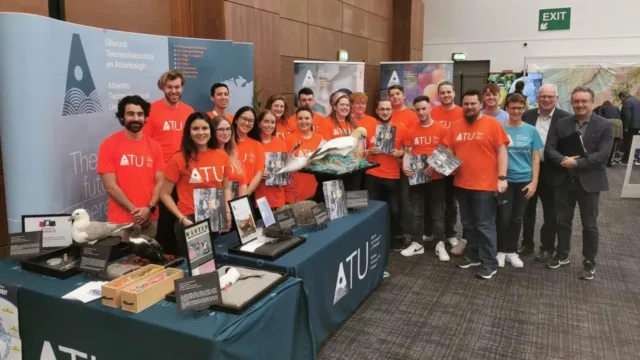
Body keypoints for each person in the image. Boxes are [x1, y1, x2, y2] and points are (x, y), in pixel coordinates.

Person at [545, 86, 613, 280]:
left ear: (592, 102)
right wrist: (562, 160)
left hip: (589, 182)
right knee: (562, 221)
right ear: (572, 102)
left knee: (589, 224)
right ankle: (562, 253)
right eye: (576, 101)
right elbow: (549, 147)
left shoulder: (604, 125)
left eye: (584, 101)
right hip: (564, 180)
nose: (580, 105)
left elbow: (602, 155)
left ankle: (589, 261)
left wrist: (576, 162)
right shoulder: (562, 123)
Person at [450, 89, 509, 280]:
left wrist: (502, 178)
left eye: (473, 104)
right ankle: (473, 255)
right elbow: (448, 152)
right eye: (466, 104)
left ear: (480, 104)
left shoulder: (492, 125)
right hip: (461, 183)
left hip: (485, 185)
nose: (469, 107)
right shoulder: (455, 126)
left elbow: (502, 152)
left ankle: (489, 263)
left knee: (485, 225)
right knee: (468, 223)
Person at [160, 112, 233, 257]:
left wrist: (227, 212)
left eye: (205, 128)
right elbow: (164, 194)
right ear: (189, 132)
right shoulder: (178, 159)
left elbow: (225, 187)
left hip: (214, 216)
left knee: (214, 262)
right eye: (196, 129)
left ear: (211, 131)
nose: (201, 133)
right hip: (190, 219)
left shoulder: (222, 156)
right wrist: (182, 218)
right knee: (197, 269)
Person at [97, 95, 164, 238]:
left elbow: (160, 182)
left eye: (140, 114)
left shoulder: (155, 146)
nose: (136, 118)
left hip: (150, 220)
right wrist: (136, 212)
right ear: (122, 117)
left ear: (145, 117)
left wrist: (149, 209)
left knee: (148, 261)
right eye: (130, 114)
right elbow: (110, 186)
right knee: (122, 261)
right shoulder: (108, 145)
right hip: (121, 223)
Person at [143, 70, 194, 253]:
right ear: (162, 87)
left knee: (185, 217)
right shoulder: (151, 111)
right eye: (169, 87)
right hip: (163, 177)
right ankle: (166, 258)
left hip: (186, 175)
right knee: (165, 221)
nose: (174, 91)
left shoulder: (189, 111)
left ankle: (186, 255)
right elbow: (146, 145)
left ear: (182, 87)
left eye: (177, 87)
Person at [520, 84, 571, 261]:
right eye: (543, 96)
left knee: (551, 213)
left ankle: (547, 247)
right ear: (537, 98)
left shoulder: (566, 119)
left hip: (553, 172)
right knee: (527, 211)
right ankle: (526, 244)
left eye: (550, 96)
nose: (547, 100)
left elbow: (568, 147)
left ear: (556, 98)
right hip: (528, 170)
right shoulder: (527, 115)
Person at [400, 96, 450, 261]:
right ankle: (417, 243)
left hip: (436, 178)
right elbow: (408, 152)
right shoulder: (410, 130)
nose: (421, 112)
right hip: (417, 178)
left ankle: (439, 244)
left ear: (430, 109)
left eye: (424, 109)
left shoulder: (441, 129)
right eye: (418, 109)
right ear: (414, 110)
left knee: (437, 214)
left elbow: (448, 152)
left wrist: (436, 165)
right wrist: (404, 166)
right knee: (417, 213)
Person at [496, 94, 543, 268]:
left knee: (517, 218)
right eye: (512, 107)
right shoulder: (499, 128)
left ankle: (511, 250)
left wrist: (534, 182)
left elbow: (535, 158)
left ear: (524, 109)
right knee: (504, 216)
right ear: (506, 108)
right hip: (505, 181)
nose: (516, 111)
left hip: (525, 181)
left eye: (519, 108)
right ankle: (500, 250)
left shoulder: (531, 130)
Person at [363, 99, 409, 250]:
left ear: (392, 110)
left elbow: (409, 151)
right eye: (382, 109)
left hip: (393, 176)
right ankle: (374, 240)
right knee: (373, 210)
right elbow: (360, 153)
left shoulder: (401, 128)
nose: (385, 112)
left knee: (395, 211)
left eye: (388, 109)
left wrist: (401, 152)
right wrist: (369, 151)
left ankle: (396, 240)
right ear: (376, 111)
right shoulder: (369, 128)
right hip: (372, 174)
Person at [431, 81, 465, 254]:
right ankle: (434, 232)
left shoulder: (462, 112)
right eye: (442, 93)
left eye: (448, 92)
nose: (446, 95)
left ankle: (451, 233)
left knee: (451, 201)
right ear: (439, 95)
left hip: (454, 164)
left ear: (454, 93)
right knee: (436, 201)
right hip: (436, 162)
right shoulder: (432, 112)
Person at [285, 107, 325, 203]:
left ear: (312, 120)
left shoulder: (320, 139)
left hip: (315, 189)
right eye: (300, 118)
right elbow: (285, 165)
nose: (304, 121)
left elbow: (324, 162)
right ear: (296, 121)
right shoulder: (289, 139)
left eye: (307, 118)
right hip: (294, 191)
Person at [250, 110, 287, 209]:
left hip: (278, 197)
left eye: (272, 122)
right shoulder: (253, 144)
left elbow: (285, 168)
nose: (269, 125)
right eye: (266, 121)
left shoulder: (281, 143)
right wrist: (258, 174)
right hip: (259, 197)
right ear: (259, 123)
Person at [232, 106, 265, 197]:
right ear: (236, 120)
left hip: (247, 191)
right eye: (244, 119)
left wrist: (245, 194)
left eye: (250, 121)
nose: (247, 123)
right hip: (227, 189)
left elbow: (258, 174)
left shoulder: (257, 145)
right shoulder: (227, 143)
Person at [213, 116, 247, 200]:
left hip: (236, 207)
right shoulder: (208, 156)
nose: (225, 133)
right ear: (213, 131)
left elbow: (243, 184)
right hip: (217, 206)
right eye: (221, 129)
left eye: (228, 129)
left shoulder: (234, 155)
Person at [619, 90, 640, 164]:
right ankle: (637, 158)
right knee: (636, 142)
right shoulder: (637, 101)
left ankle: (626, 159)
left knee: (628, 142)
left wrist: (625, 127)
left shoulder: (627, 102)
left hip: (630, 126)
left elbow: (627, 115)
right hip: (638, 126)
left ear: (622, 97)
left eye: (621, 99)